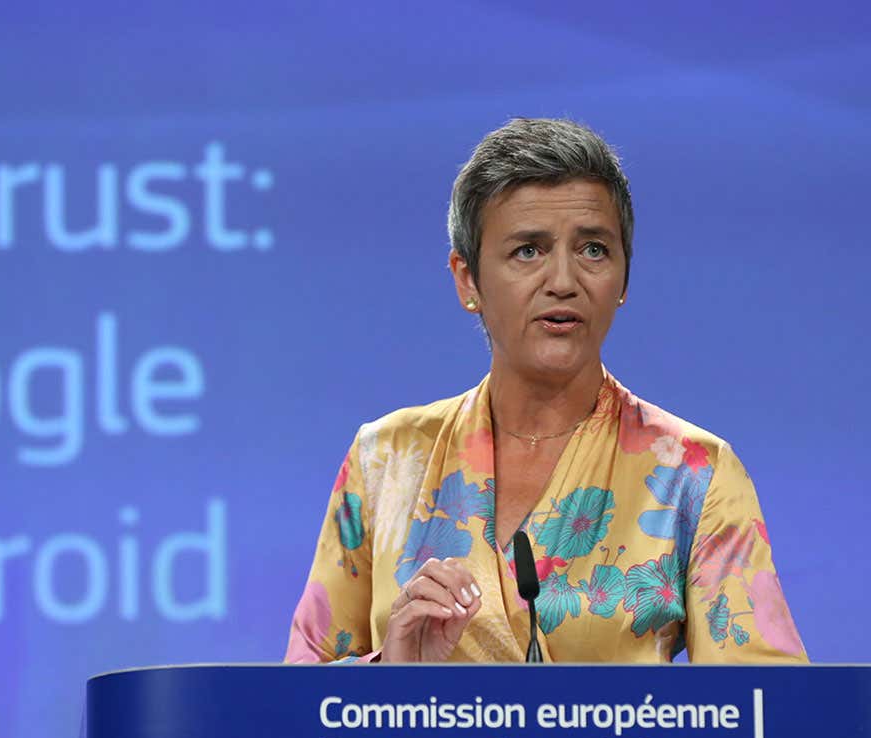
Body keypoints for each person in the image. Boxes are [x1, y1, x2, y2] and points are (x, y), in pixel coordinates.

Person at [284, 118, 807, 664]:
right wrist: (388, 676)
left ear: (623, 280)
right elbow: (292, 708)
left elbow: (766, 712)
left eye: (594, 250)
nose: (563, 280)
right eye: (528, 251)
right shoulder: (387, 458)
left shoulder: (694, 473)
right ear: (468, 280)